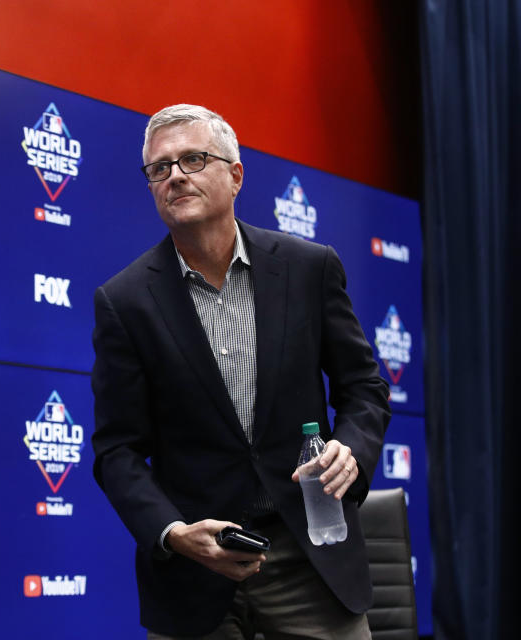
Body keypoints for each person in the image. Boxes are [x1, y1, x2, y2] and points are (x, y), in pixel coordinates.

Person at [91, 104, 390, 639]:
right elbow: (117, 449)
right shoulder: (125, 301)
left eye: (193, 159)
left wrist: (352, 450)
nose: (175, 175)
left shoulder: (308, 267)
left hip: (310, 557)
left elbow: (364, 387)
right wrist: (173, 532)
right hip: (193, 573)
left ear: (235, 174)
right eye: (160, 168)